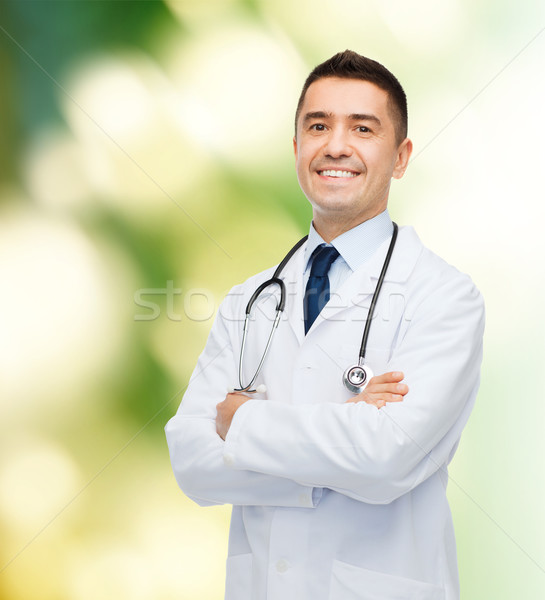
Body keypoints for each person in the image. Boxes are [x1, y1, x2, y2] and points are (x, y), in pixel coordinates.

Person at [165, 50, 485, 600]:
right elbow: (192, 461)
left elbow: (388, 458)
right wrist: (343, 428)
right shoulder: (250, 300)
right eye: (318, 126)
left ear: (401, 156)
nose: (336, 145)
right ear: (296, 149)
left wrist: (244, 424)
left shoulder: (446, 297)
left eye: (363, 128)